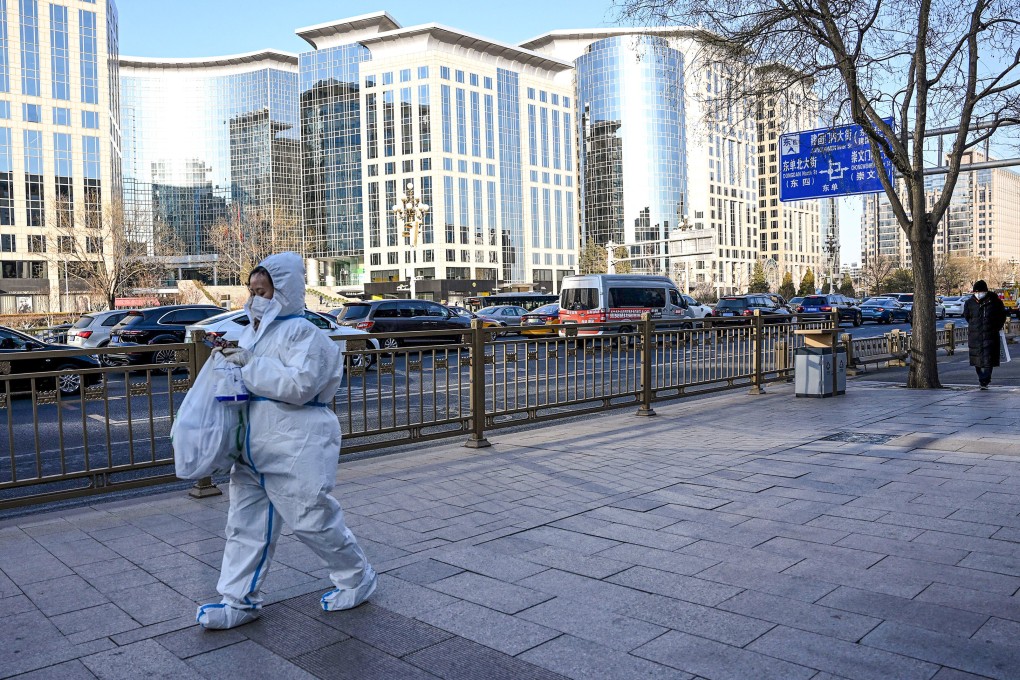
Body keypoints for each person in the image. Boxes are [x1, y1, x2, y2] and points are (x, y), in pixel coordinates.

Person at [196, 252, 376, 630]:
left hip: (297, 446)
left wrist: (246, 364)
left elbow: (300, 386)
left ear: (285, 291)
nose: (254, 298)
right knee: (244, 526)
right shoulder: (251, 332)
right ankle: (238, 600)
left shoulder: (306, 334)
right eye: (252, 291)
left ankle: (356, 578)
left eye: (263, 291)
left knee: (314, 520)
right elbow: (244, 377)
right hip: (253, 449)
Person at [962, 279, 1007, 390]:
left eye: (980, 291)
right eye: (976, 292)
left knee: (989, 360)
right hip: (975, 336)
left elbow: (1002, 317)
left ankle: (985, 380)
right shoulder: (969, 303)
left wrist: (995, 327)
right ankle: (982, 378)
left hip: (990, 335)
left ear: (986, 291)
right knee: (976, 359)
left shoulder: (995, 302)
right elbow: (967, 316)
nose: (978, 294)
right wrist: (974, 326)